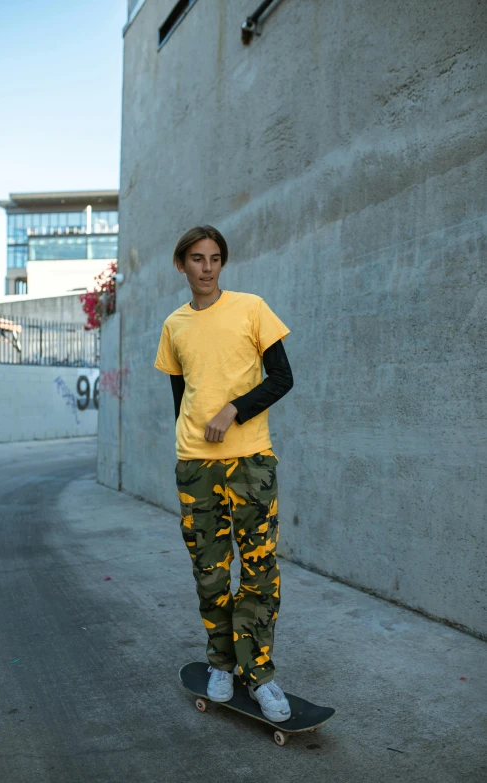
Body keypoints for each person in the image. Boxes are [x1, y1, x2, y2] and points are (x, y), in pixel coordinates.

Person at [154, 225, 294, 722]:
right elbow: (181, 398)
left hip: (251, 462)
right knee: (210, 573)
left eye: (215, 258)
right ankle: (220, 664)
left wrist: (234, 408)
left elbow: (283, 377)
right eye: (197, 258)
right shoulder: (174, 326)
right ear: (182, 265)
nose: (207, 267)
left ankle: (259, 676)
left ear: (222, 263)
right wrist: (187, 447)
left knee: (259, 570)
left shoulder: (251, 308)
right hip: (195, 466)